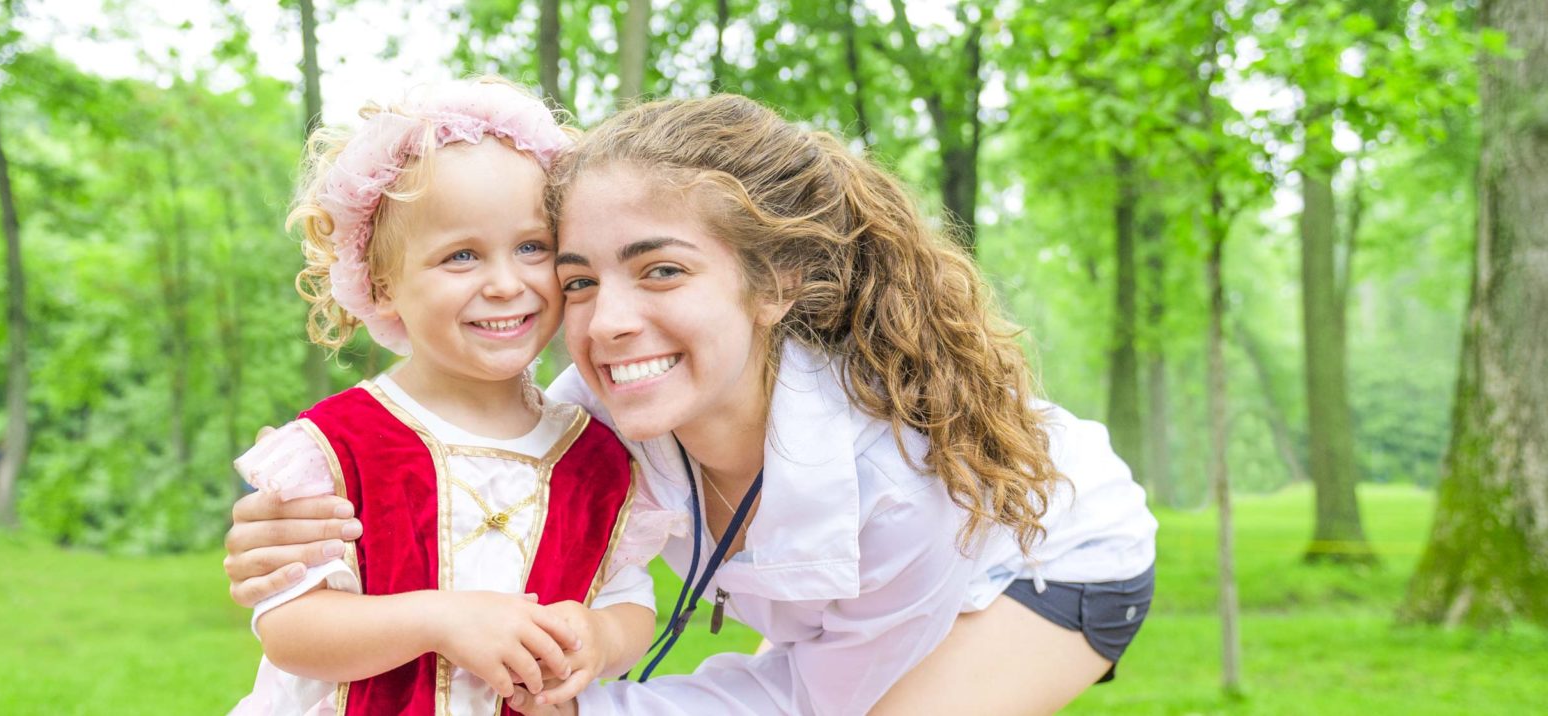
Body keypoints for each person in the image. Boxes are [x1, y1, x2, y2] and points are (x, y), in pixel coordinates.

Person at [226, 93, 1157, 716]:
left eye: (662, 270)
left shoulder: (890, 478)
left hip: (1047, 559)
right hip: (855, 618)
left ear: (776, 281)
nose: (611, 324)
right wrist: (284, 537)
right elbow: (461, 482)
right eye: (583, 278)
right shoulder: (585, 412)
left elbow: (819, 696)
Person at [227, 79, 669, 716]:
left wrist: (598, 640)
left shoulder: (599, 456)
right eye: (462, 255)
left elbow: (628, 600)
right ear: (381, 285)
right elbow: (291, 630)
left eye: (531, 248)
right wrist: (439, 619)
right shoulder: (335, 447)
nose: (504, 283)